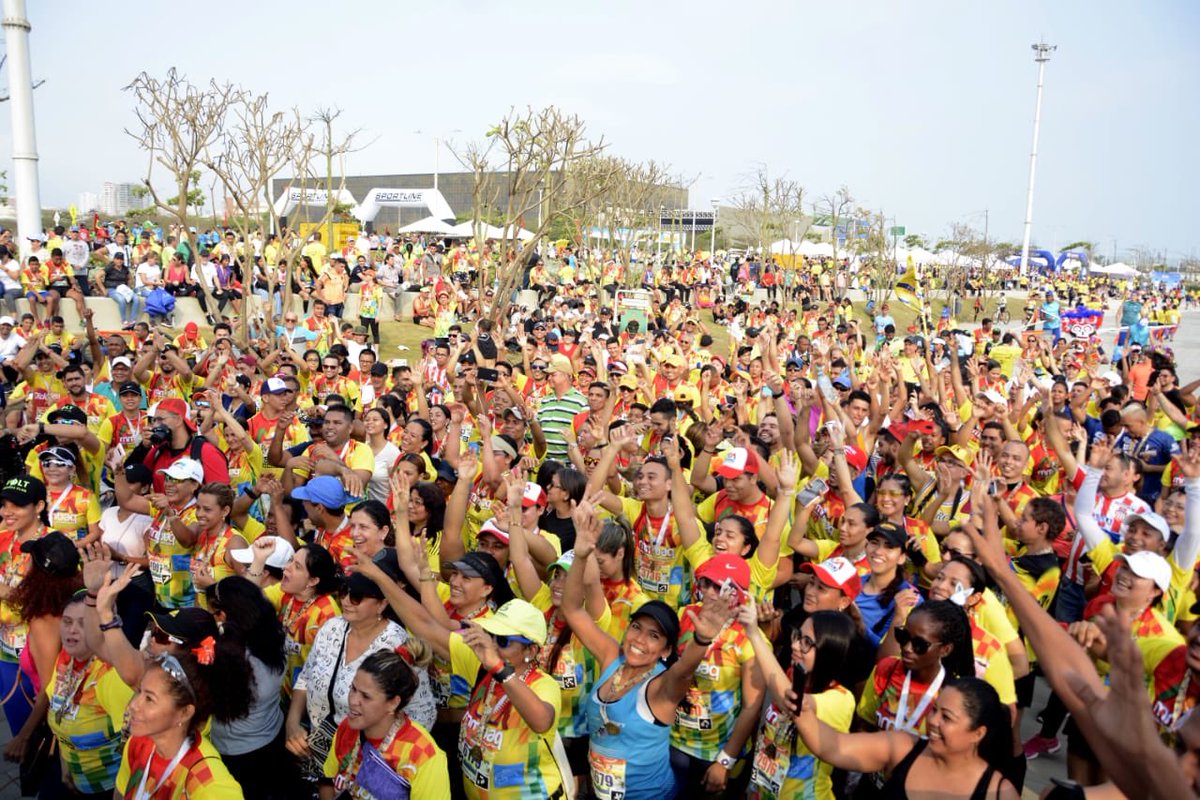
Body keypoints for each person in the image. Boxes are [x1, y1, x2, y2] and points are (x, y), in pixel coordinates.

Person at [564, 500, 738, 800]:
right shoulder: (610, 655)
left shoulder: (661, 687)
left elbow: (684, 671)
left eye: (653, 636)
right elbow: (571, 609)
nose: (639, 640)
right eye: (636, 628)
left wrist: (702, 640)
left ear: (665, 650)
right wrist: (581, 554)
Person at [796, 676, 1018, 799]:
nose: (933, 721)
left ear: (978, 733)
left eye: (946, 717)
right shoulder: (904, 747)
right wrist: (802, 710)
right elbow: (833, 747)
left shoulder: (999, 793)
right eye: (934, 710)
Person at [740, 605, 857, 800]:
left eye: (807, 642)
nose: (794, 646)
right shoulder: (792, 676)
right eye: (798, 636)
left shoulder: (840, 699)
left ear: (830, 651)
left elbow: (793, 702)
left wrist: (754, 634)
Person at [202, 576, 298, 799]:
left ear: (223, 617)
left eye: (212, 613)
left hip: (236, 753)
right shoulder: (276, 639)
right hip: (274, 737)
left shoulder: (227, 660)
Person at [113, 651, 245, 798]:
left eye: (149, 699)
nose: (133, 705)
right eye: (139, 692)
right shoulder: (138, 743)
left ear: (185, 713)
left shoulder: (207, 783)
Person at [46, 588, 135, 799]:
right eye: (67, 622)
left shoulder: (111, 675)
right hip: (75, 781)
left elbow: (137, 745)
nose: (72, 631)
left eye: (83, 623)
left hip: (110, 788)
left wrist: (122, 792)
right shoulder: (65, 661)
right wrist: (65, 763)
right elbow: (61, 714)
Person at [324, 649, 450, 798]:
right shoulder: (347, 728)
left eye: (366, 696)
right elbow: (327, 782)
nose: (352, 700)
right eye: (353, 689)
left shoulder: (423, 754)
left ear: (393, 704)